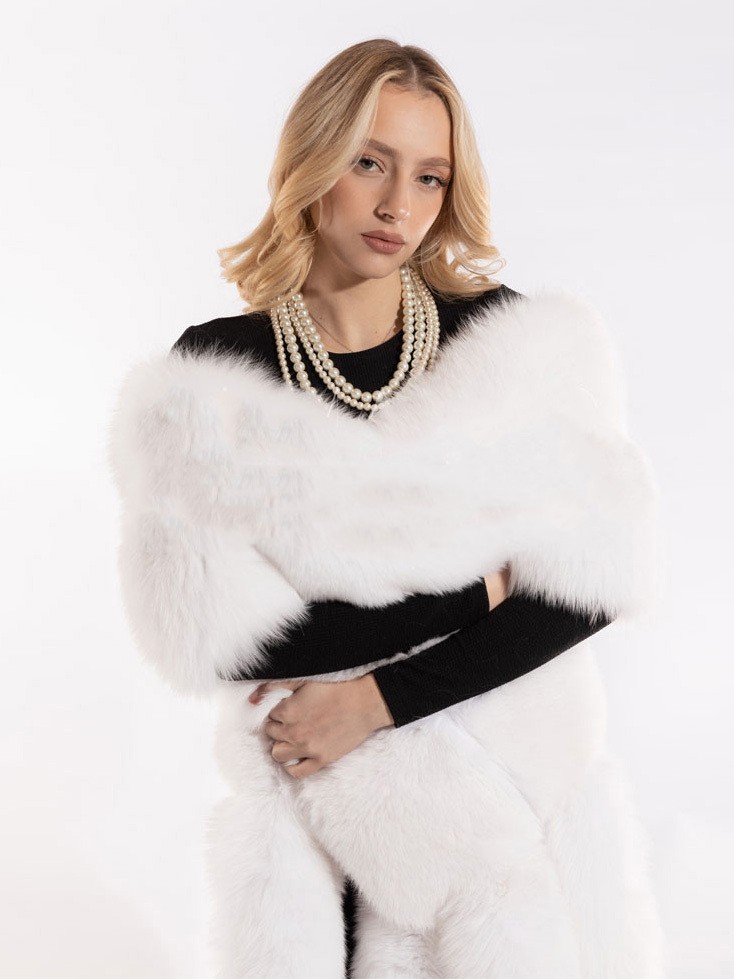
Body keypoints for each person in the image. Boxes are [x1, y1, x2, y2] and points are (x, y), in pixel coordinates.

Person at [110, 37, 664, 978]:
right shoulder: (218, 373)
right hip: (316, 813)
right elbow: (212, 634)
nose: (397, 204)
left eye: (429, 176)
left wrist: (373, 699)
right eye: (369, 162)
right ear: (314, 158)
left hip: (509, 811)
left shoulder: (505, 345)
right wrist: (473, 594)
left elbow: (590, 584)